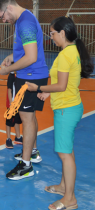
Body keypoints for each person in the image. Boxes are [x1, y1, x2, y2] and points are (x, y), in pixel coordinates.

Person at [26, 16, 94, 210]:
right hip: (70, 105)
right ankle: (64, 186)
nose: (51, 37)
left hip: (66, 109)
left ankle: (70, 198)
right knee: (67, 150)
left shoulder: (66, 55)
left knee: (64, 154)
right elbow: (67, 83)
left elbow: (62, 85)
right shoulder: (71, 51)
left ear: (62, 33)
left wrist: (38, 89)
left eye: (52, 33)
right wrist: (48, 92)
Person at [0, 0, 49, 180]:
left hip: (30, 76)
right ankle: (32, 152)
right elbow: (26, 50)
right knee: (29, 116)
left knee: (27, 118)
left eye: (2, 16)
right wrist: (12, 56)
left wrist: (7, 70)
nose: (3, 20)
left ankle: (26, 165)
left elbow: (31, 57)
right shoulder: (23, 19)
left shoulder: (24, 23)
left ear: (8, 8)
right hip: (30, 75)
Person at [5, 67, 22, 149]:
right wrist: (11, 104)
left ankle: (18, 137)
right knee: (9, 121)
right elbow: (9, 89)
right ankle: (8, 139)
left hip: (18, 103)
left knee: (17, 120)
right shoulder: (11, 76)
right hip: (11, 104)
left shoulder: (18, 76)